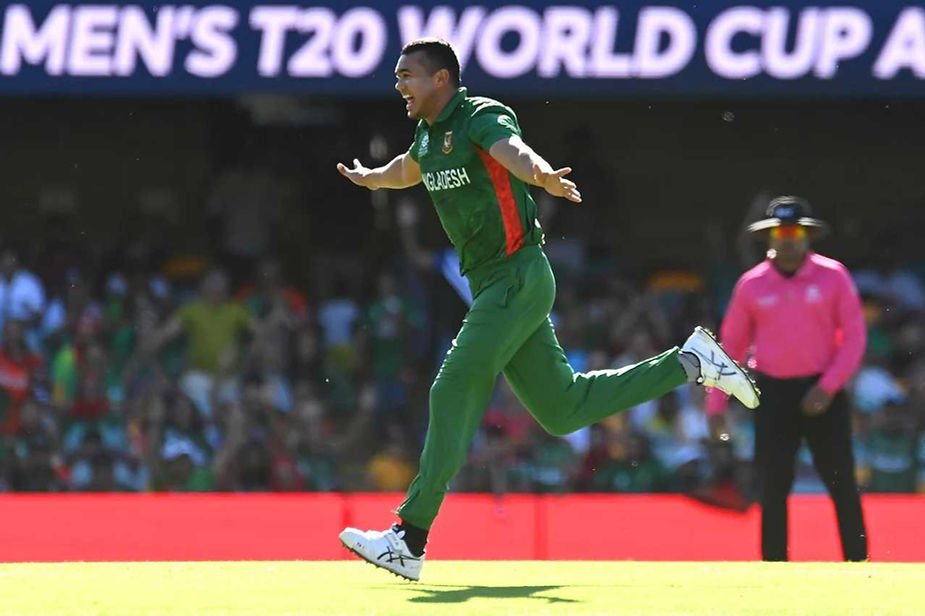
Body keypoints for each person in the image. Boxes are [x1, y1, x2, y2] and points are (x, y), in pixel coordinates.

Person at [336, 38, 760, 581]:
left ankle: (409, 537)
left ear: (441, 79)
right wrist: (373, 178)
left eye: (407, 75)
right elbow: (409, 168)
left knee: (451, 385)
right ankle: (690, 362)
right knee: (563, 409)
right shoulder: (428, 134)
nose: (399, 85)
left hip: (517, 275)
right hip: (496, 285)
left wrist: (540, 176)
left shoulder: (478, 115)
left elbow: (512, 150)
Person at [706, 196, 868, 562]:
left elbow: (855, 338)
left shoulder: (833, 276)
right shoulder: (752, 285)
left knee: (842, 483)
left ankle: (860, 564)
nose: (788, 239)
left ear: (807, 235)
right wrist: (716, 404)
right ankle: (774, 569)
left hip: (822, 392)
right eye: (780, 232)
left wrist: (828, 387)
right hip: (773, 392)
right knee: (773, 487)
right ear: (769, 238)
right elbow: (730, 348)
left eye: (795, 231)